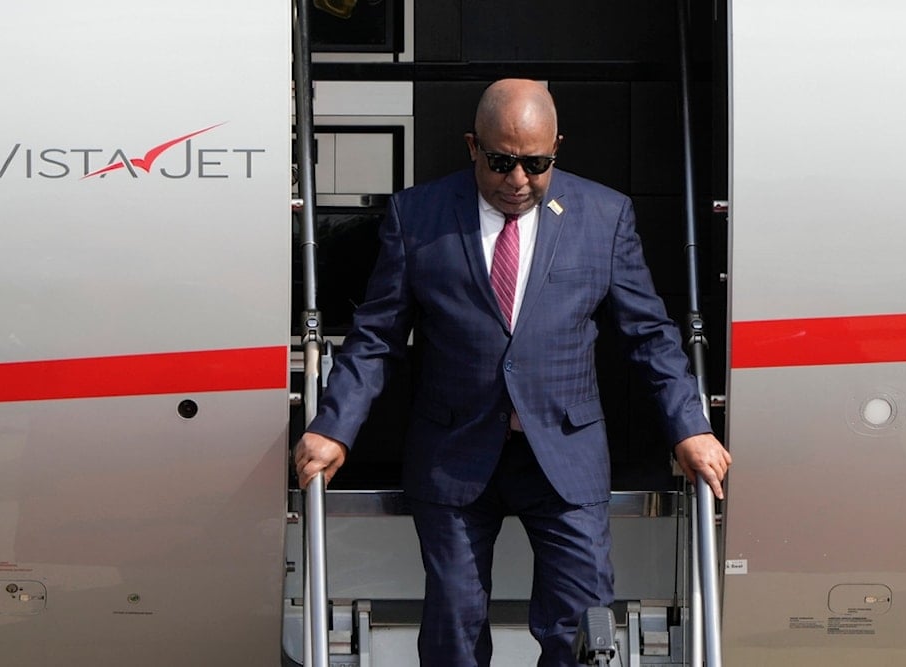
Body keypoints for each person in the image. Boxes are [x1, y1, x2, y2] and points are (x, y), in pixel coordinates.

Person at [295, 78, 731, 667]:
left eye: (536, 163)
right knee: (452, 627)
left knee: (581, 627)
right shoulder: (417, 215)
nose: (518, 180)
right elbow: (377, 336)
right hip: (454, 450)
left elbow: (649, 333)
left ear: (558, 149)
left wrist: (690, 427)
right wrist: (334, 426)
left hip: (565, 452)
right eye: (502, 162)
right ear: (472, 146)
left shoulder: (603, 215)